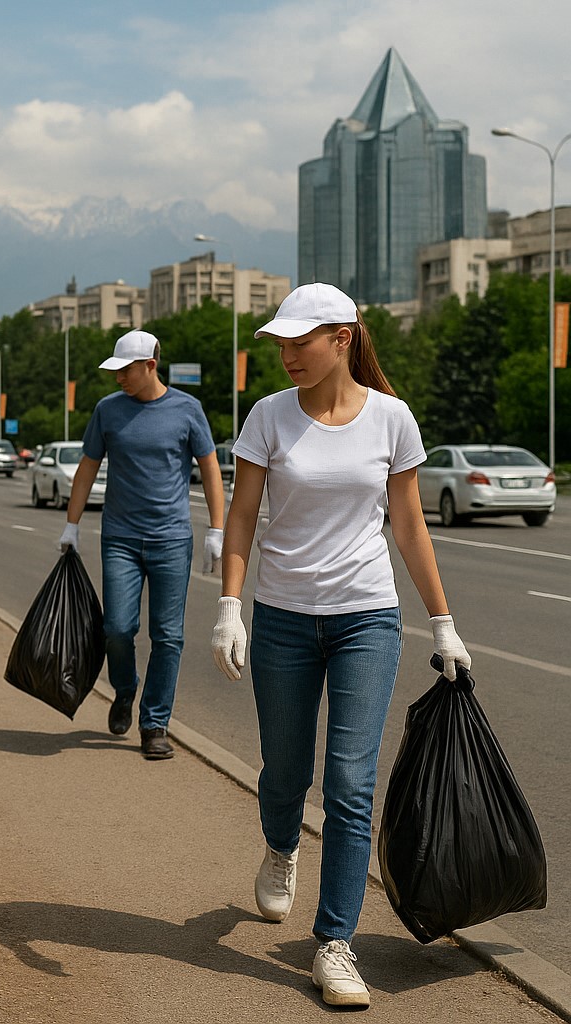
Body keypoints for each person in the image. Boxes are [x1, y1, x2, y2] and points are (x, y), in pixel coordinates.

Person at [210, 283, 471, 1008]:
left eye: (302, 341)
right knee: (285, 772)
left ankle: (335, 944)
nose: (288, 355)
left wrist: (442, 621)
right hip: (285, 618)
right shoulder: (267, 417)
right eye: (283, 344)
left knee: (351, 787)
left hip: (367, 618)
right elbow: (242, 517)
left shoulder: (392, 419)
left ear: (343, 339)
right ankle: (280, 848)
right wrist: (230, 605)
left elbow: (410, 527)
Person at [58, 330, 225, 759]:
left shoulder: (188, 410)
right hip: (120, 539)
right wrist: (71, 526)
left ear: (150, 365)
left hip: (171, 539)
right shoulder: (108, 411)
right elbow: (87, 467)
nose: (118, 379)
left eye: (125, 370)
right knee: (116, 627)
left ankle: (154, 724)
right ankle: (126, 687)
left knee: (168, 637)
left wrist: (216, 529)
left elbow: (210, 469)